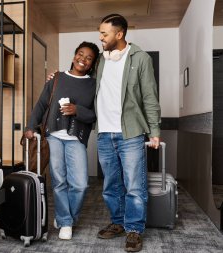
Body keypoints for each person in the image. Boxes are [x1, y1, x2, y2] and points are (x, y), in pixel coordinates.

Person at [95, 14, 161, 252]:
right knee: (111, 185)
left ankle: (133, 229)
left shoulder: (139, 58)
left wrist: (154, 130)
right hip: (104, 133)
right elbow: (83, 80)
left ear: (119, 34)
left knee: (134, 185)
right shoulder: (100, 60)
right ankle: (118, 222)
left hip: (130, 132)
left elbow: (150, 97)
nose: (100, 37)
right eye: (100, 32)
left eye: (105, 33)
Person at [25, 41, 100, 240]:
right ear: (74, 55)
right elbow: (41, 104)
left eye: (88, 58)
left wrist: (78, 110)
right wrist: (30, 126)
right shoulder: (56, 78)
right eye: (80, 54)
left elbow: (95, 115)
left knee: (81, 184)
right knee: (59, 181)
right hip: (54, 136)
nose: (82, 59)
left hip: (76, 139)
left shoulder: (94, 85)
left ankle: (67, 217)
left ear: (92, 64)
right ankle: (66, 222)